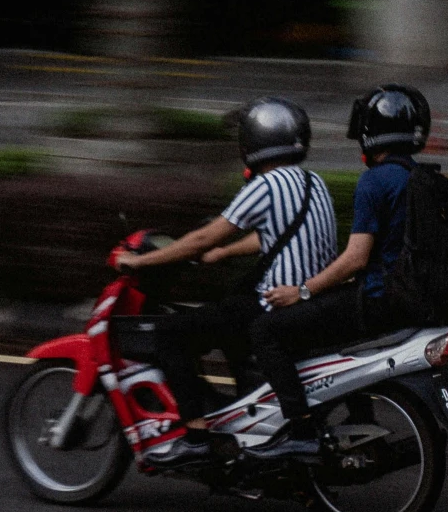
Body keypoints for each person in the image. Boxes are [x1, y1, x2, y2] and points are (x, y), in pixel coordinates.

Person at [115, 97, 338, 465]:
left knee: (172, 332)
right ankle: (244, 414)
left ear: (254, 142)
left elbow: (203, 237)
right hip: (309, 301)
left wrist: (142, 260)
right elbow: (276, 234)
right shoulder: (314, 184)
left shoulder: (266, 185)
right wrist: (224, 253)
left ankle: (196, 436)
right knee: (226, 310)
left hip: (275, 304)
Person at [253, 83, 431, 461]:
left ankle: (300, 431)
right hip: (414, 301)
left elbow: (355, 259)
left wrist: (300, 291)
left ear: (370, 132)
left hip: (380, 301)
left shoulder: (375, 181)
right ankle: (359, 424)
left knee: (266, 330)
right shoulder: (427, 180)